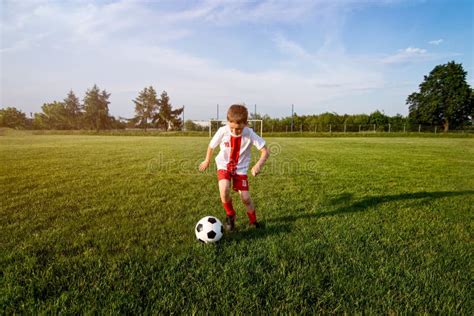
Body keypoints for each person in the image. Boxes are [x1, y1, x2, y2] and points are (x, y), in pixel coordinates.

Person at [199, 104, 270, 231]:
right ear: (228, 122)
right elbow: (211, 146)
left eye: (239, 129)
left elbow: (265, 151)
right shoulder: (223, 131)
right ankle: (230, 215)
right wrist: (207, 160)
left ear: (246, 123)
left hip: (240, 169)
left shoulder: (250, 133)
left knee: (246, 198)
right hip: (223, 166)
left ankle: (253, 222)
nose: (235, 131)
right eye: (232, 127)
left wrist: (258, 165)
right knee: (224, 189)